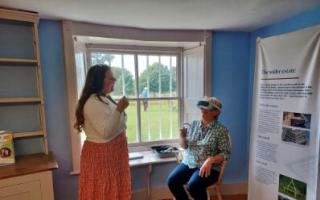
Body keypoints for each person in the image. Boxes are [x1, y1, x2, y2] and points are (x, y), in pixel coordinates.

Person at [74, 64, 131, 200]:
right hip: (102, 157)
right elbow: (105, 132)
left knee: (113, 191)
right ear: (99, 80)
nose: (114, 81)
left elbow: (120, 123)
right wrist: (119, 109)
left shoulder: (104, 98)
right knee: (103, 192)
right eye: (111, 78)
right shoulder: (91, 103)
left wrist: (119, 111)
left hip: (113, 156)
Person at [167, 97, 231, 200]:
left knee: (194, 185)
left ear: (216, 113)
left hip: (210, 168)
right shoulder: (194, 125)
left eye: (207, 109)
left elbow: (226, 153)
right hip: (189, 162)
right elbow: (185, 146)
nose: (203, 110)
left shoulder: (221, 130)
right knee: (172, 181)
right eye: (202, 108)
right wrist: (182, 137)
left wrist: (211, 159)